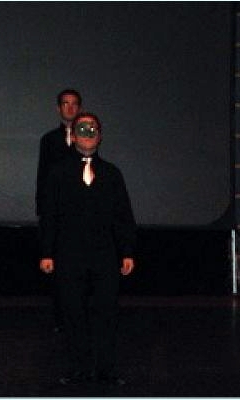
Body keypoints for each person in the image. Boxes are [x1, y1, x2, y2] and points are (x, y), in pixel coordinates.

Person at [39, 112, 136, 386]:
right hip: (69, 254)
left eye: (92, 129)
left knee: (107, 312)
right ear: (73, 136)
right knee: (73, 313)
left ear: (100, 136)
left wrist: (127, 251)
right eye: (82, 129)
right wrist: (46, 252)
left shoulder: (112, 173)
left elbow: (123, 215)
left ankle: (106, 369)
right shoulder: (58, 172)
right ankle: (79, 368)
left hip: (105, 254)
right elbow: (49, 215)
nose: (87, 133)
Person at [36, 88, 82, 333]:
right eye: (65, 103)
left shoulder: (86, 136)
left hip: (80, 212)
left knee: (80, 267)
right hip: (55, 212)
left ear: (80, 108)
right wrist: (42, 210)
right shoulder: (49, 139)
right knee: (56, 267)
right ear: (58, 108)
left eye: (74, 104)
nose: (70, 108)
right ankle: (60, 319)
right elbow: (42, 176)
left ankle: (79, 317)